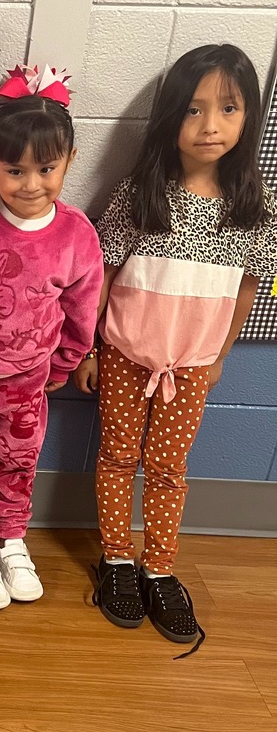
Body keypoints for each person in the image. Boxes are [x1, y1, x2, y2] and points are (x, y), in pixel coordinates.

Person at [74, 44, 277, 656]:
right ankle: (116, 560)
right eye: (193, 110)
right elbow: (102, 276)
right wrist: (86, 350)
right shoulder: (141, 195)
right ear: (170, 119)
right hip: (124, 355)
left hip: (190, 367)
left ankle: (158, 566)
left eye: (228, 109)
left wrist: (219, 357)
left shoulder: (251, 214)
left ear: (249, 118)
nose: (210, 126)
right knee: (116, 457)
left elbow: (247, 288)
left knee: (167, 469)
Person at [0, 66, 103, 609]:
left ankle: (10, 537)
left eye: (47, 169)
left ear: (69, 162)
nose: (31, 184)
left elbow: (82, 311)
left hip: (30, 385)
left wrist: (61, 366)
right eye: (15, 171)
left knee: (17, 462)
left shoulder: (77, 235)